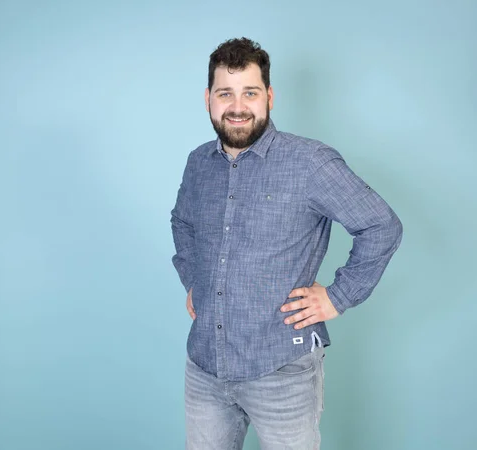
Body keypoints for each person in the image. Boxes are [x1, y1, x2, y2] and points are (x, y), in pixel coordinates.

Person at [170, 37, 403, 450]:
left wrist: (337, 296)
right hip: (205, 368)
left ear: (270, 97)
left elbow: (381, 225)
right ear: (208, 99)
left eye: (250, 93)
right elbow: (183, 222)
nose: (237, 106)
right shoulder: (197, 163)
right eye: (226, 93)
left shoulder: (310, 163)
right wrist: (193, 279)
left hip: (282, 371)